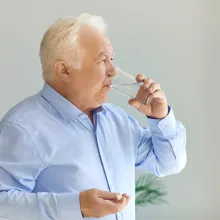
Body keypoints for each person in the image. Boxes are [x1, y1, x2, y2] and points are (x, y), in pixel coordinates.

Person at [0, 13, 187, 220]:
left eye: (112, 59)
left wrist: (160, 118)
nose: (113, 71)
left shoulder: (117, 120)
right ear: (64, 71)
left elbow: (169, 163)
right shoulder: (22, 127)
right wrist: (76, 206)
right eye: (102, 60)